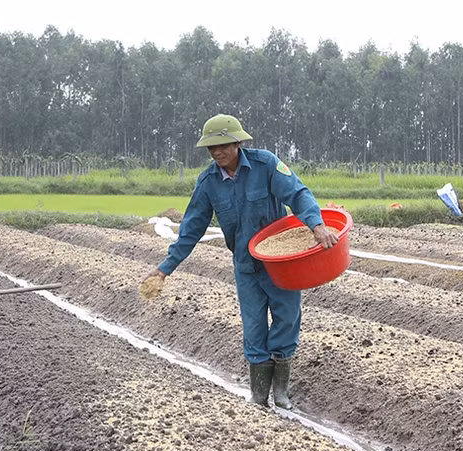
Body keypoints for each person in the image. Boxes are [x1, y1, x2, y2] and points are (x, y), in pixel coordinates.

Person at [144, 114, 338, 409]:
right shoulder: (208, 182)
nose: (217, 152)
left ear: (238, 142)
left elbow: (297, 194)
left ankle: (281, 393)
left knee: (287, 319)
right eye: (211, 148)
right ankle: (259, 397)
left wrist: (317, 224)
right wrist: (164, 268)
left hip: (280, 263)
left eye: (222, 145)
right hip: (246, 267)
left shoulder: (266, 165)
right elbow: (192, 229)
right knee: (253, 328)